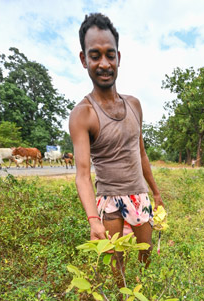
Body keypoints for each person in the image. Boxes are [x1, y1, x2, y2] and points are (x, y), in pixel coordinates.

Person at [69, 12, 164, 286]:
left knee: (145, 254)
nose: (104, 63)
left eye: (110, 55)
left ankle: (144, 297)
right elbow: (83, 173)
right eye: (95, 55)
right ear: (84, 59)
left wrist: (155, 192)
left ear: (119, 57)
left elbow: (141, 153)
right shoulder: (83, 114)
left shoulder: (134, 104)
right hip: (109, 201)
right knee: (117, 263)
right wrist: (92, 219)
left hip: (140, 197)